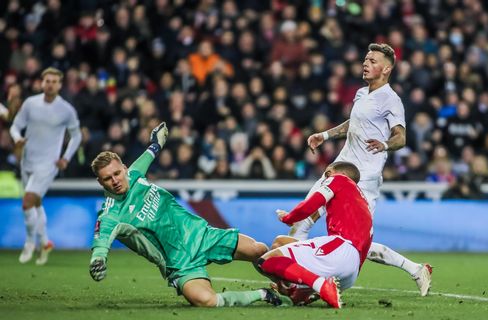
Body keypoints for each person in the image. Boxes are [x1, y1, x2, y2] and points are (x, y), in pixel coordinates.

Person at [287, 43, 433, 296]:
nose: (366, 63)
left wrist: (385, 144)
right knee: (302, 220)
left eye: (373, 61)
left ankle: (416, 269)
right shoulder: (361, 94)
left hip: (364, 180)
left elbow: (401, 137)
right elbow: (353, 123)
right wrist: (325, 135)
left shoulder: (391, 99)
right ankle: (294, 279)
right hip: (339, 170)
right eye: (365, 59)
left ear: (386, 69)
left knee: (355, 245)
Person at [88, 122, 281, 308]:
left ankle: (292, 285)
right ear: (100, 182)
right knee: (206, 300)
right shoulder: (110, 215)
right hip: (179, 263)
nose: (115, 180)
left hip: (200, 234)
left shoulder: (135, 173)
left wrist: (158, 141)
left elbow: (152, 150)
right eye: (107, 178)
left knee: (259, 250)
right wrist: (98, 260)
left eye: (117, 173)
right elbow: (101, 242)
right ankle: (263, 294)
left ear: (124, 168)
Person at [257, 162, 372, 308]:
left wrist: (288, 218)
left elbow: (313, 202)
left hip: (340, 249)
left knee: (266, 261)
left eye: (325, 174)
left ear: (330, 172)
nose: (324, 179)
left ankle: (319, 285)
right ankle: (298, 291)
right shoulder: (362, 202)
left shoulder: (339, 179)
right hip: (352, 270)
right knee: (280, 242)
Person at [9, 67, 82, 265]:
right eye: (47, 81)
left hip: (48, 164)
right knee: (36, 204)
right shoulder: (31, 104)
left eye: (54, 81)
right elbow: (15, 126)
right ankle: (45, 241)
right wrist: (17, 139)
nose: (50, 84)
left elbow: (77, 136)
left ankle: (30, 243)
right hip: (28, 160)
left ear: (59, 84)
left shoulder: (66, 109)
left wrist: (65, 158)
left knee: (27, 202)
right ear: (42, 83)